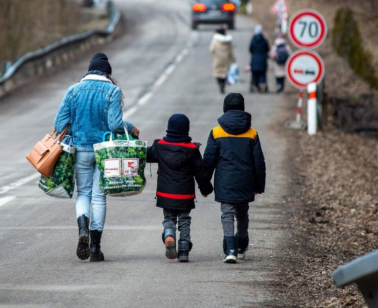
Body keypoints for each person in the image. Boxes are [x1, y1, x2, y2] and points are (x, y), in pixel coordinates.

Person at [54, 52, 140, 262]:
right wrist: (130, 127)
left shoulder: (73, 91)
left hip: (81, 150)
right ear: (108, 73)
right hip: (105, 152)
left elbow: (58, 125)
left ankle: (82, 229)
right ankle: (95, 248)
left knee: (83, 193)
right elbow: (116, 126)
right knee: (99, 196)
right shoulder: (112, 90)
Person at [203, 93, 266, 263]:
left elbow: (209, 161)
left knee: (227, 213)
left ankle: (230, 248)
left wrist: (204, 184)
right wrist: (259, 186)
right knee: (242, 212)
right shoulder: (252, 133)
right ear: (242, 108)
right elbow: (258, 162)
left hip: (225, 180)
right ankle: (242, 243)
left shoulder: (216, 132)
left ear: (225, 108)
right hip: (246, 180)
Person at [147, 113, 213, 262]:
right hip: (185, 195)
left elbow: (144, 155)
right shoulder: (192, 150)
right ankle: (183, 250)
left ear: (169, 128)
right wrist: (206, 189)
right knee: (184, 220)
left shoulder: (159, 146)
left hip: (165, 194)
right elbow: (200, 173)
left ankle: (169, 234)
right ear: (186, 130)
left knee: (169, 217)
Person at [210, 27, 236, 94]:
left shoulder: (215, 41)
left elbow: (211, 50)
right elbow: (231, 52)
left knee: (218, 73)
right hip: (226, 60)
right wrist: (233, 60)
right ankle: (223, 85)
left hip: (218, 59)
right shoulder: (228, 41)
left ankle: (220, 84)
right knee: (225, 73)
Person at [249, 25, 270, 93]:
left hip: (254, 59)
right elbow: (267, 49)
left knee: (255, 74)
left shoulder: (253, 39)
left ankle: (256, 85)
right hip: (263, 60)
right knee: (262, 74)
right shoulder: (264, 40)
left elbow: (250, 49)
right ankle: (261, 84)